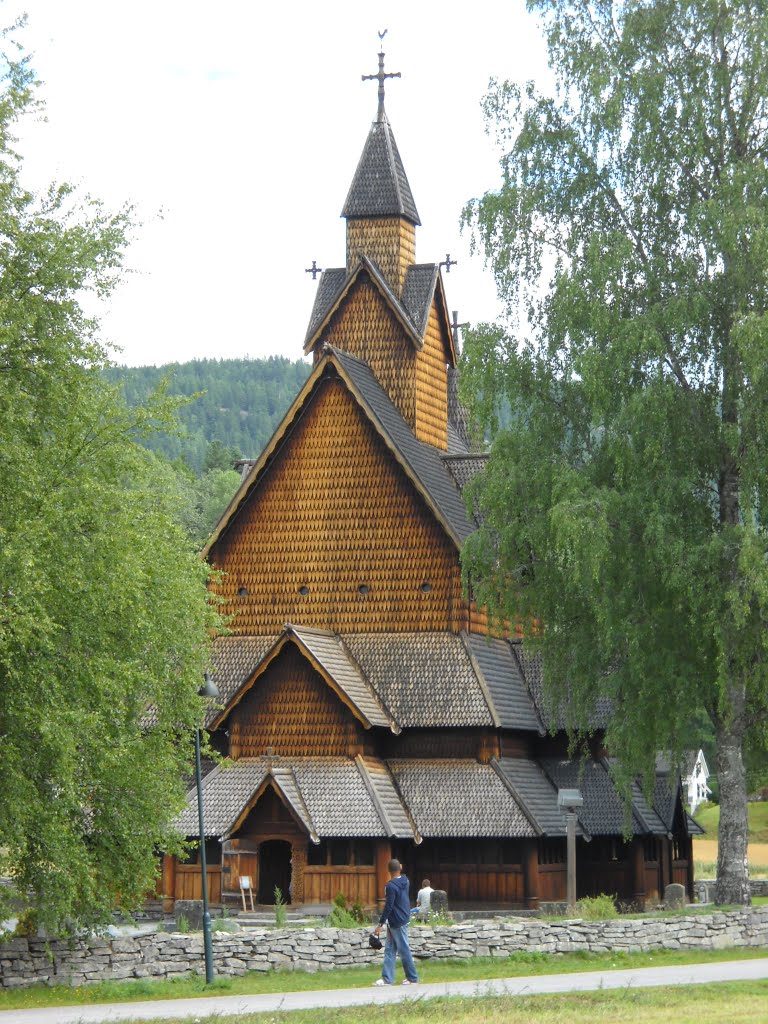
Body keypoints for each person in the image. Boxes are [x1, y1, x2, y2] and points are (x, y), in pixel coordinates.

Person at [372, 858, 419, 986]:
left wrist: (380, 924)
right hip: (401, 918)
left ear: (388, 870)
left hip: (397, 921)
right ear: (401, 867)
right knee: (390, 949)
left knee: (403, 950)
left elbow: (389, 906)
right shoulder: (406, 881)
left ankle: (412, 978)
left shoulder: (390, 886)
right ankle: (388, 978)